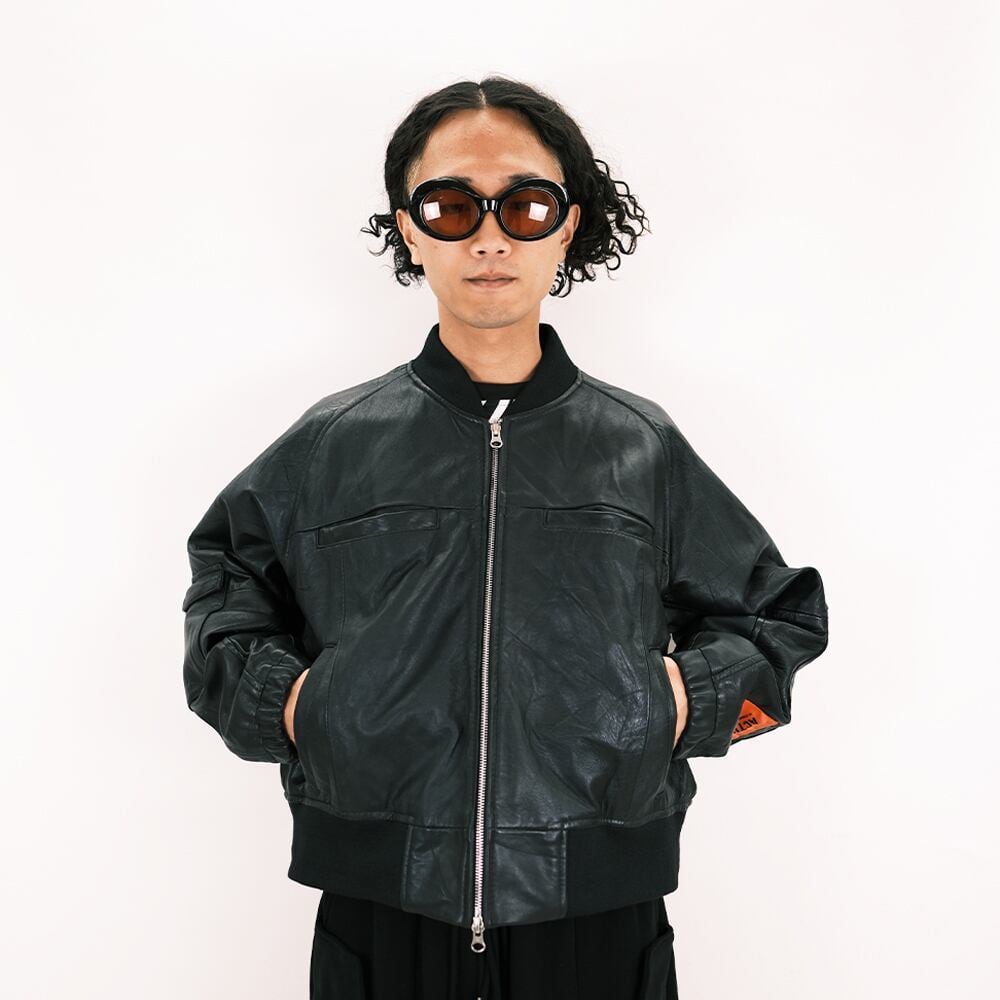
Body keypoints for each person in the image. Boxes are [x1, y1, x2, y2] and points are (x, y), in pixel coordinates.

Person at [181, 76, 830, 1000]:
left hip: (601, 918)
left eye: (525, 205)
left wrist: (678, 702)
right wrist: (298, 706)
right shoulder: (332, 444)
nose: (489, 237)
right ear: (409, 230)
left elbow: (780, 616)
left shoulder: (639, 447)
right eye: (451, 206)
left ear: (566, 229)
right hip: (380, 914)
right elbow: (226, 587)